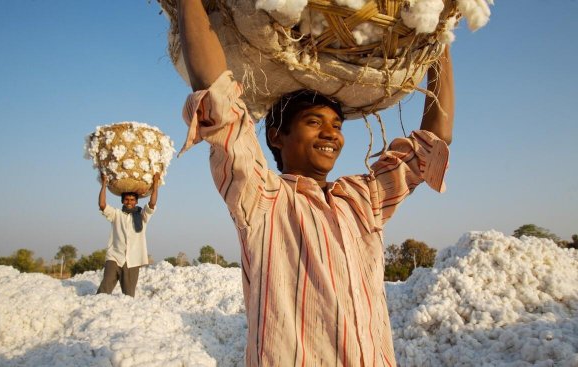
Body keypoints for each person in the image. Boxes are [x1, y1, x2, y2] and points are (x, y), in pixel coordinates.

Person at [177, 1, 454, 366]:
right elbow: (218, 97)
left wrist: (438, 41)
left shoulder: (363, 199)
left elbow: (431, 145)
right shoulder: (262, 198)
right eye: (313, 122)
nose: (331, 134)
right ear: (276, 136)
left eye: (337, 126)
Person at [96, 172, 160, 297]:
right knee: (104, 289)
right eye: (126, 199)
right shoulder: (116, 214)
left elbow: (152, 203)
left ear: (136, 201)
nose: (129, 202)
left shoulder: (142, 216)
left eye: (132, 200)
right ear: (122, 201)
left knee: (129, 295)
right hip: (114, 256)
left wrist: (156, 183)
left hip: (133, 260)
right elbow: (102, 205)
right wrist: (104, 184)